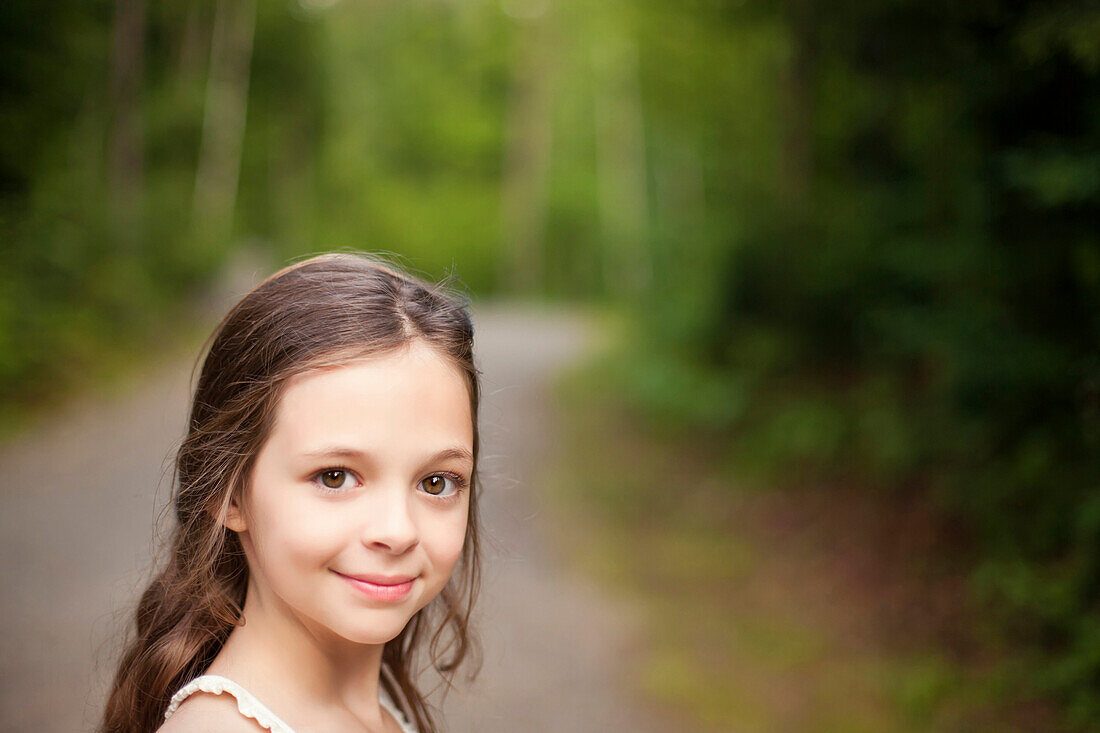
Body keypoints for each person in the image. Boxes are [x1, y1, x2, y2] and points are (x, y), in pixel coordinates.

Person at [100, 253, 482, 733]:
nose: (398, 531)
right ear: (229, 493)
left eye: (436, 483)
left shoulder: (376, 715)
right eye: (335, 477)